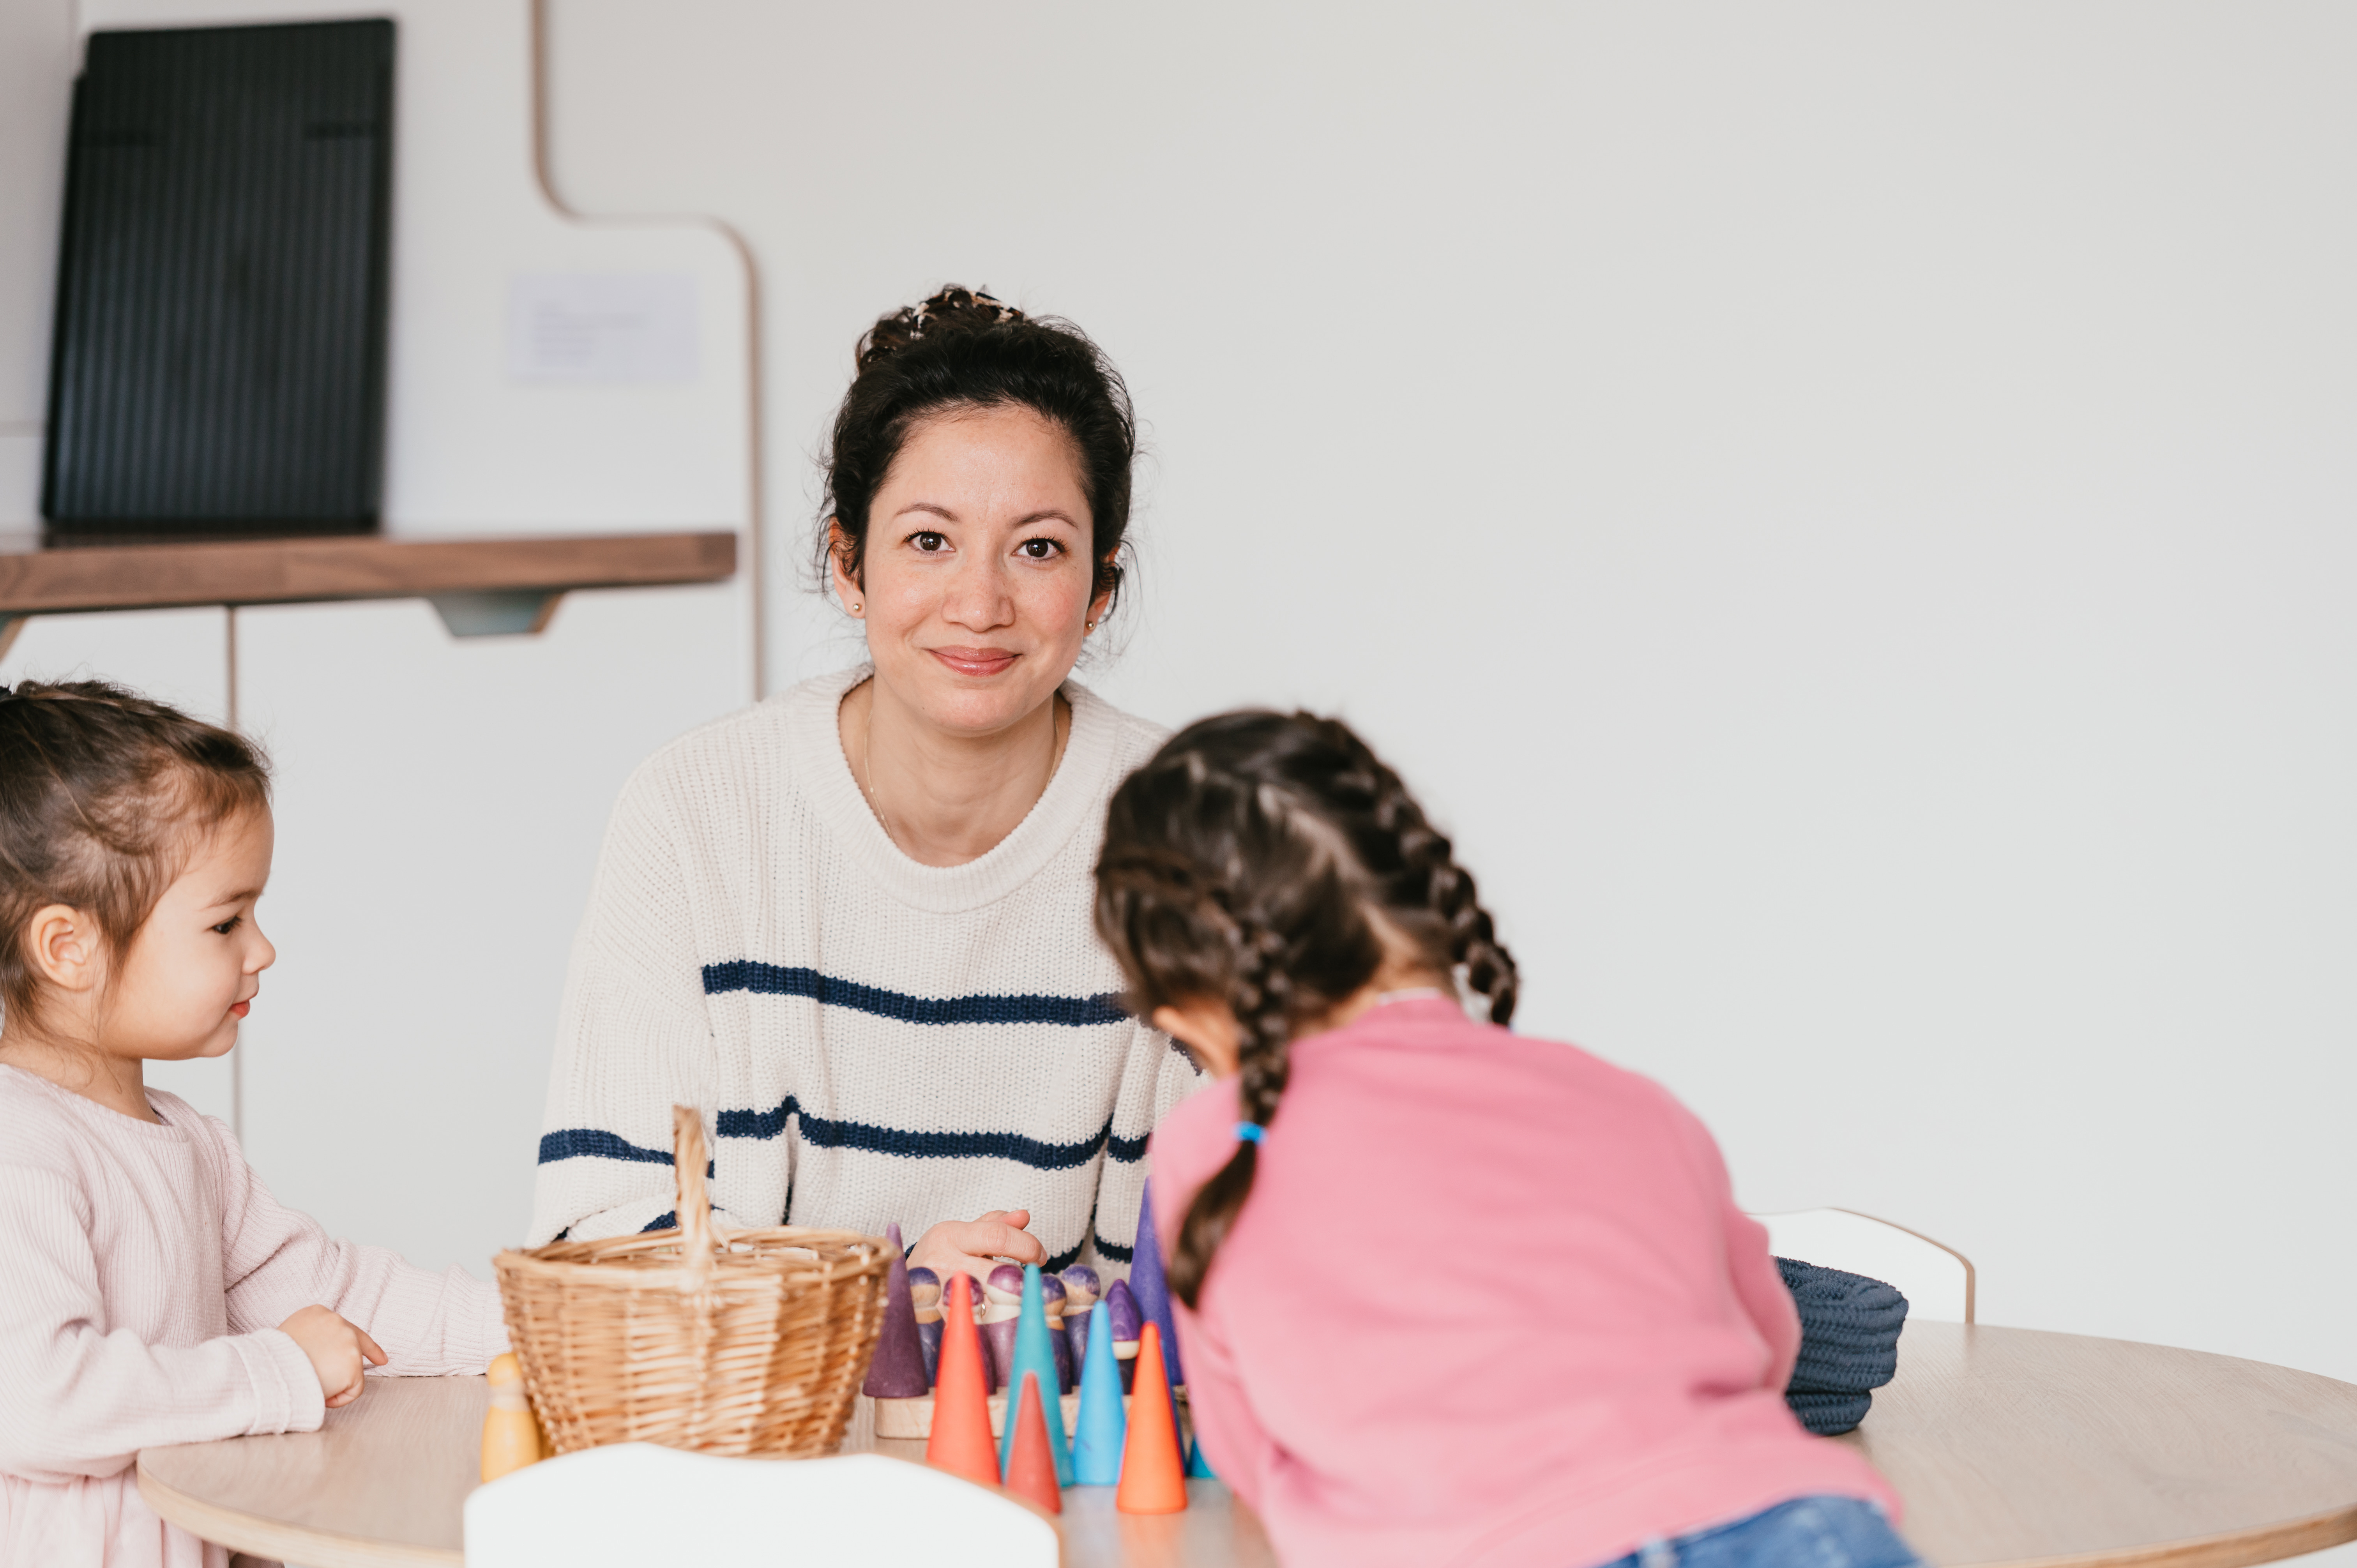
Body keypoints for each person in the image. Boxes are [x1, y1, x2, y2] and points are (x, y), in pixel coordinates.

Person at [1095, 712, 1912, 1568]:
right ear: (1431, 913)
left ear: (1189, 1012)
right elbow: (1764, 1340)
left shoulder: (1217, 1144)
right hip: (1800, 1525)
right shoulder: (1634, 1102)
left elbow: (1251, 1451)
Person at [529, 287, 1200, 1285]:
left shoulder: (1196, 833)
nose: (980, 603)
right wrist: (882, 1295)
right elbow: (593, 1243)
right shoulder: (694, 811)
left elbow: (1257, 1245)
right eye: (929, 541)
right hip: (774, 1434)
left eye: (1039, 547)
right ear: (848, 565)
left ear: (1100, 588)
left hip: (1080, 1430)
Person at [0, 682, 507, 1568]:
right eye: (226, 920)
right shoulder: (21, 1146)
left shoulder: (187, 1142)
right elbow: (40, 1400)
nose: (262, 948)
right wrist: (278, 1372)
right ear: (67, 947)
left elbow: (339, 1298)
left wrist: (535, 1323)